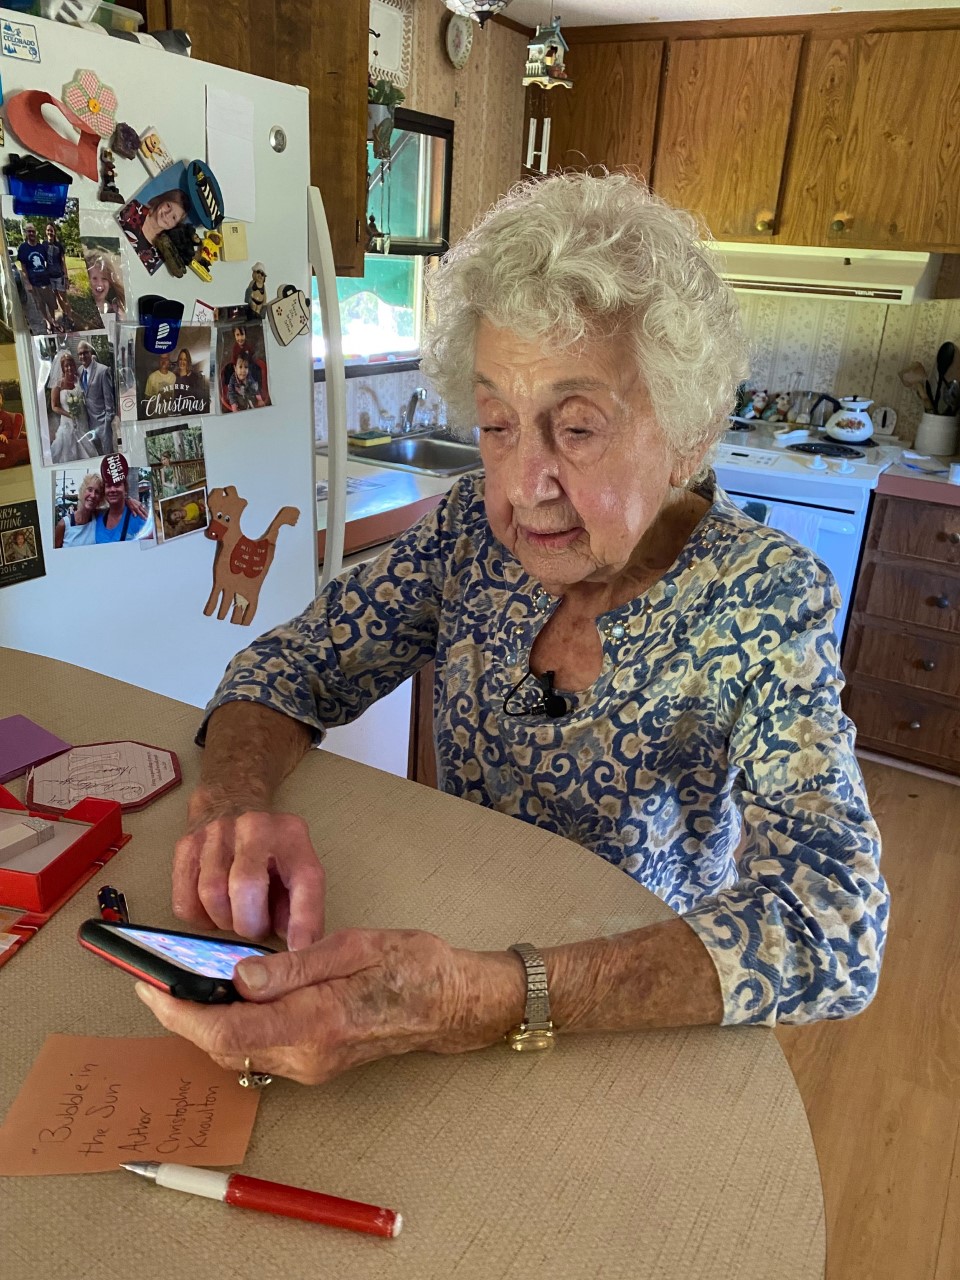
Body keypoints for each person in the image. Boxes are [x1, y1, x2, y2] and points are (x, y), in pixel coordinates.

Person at [137, 174, 888, 1088]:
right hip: (436, 966)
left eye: (576, 427)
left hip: (619, 1019)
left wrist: (488, 997)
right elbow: (291, 663)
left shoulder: (763, 597)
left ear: (688, 437)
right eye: (496, 423)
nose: (521, 483)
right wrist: (238, 803)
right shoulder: (470, 536)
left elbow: (834, 923)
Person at [118, 189, 188, 272]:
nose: (167, 215)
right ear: (162, 200)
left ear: (175, 226)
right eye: (168, 206)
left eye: (174, 217)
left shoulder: (161, 252)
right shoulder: (133, 207)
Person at [49, 352, 98, 464]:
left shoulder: (78, 379)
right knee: (68, 450)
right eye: (66, 366)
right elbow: (54, 407)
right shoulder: (58, 385)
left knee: (87, 446)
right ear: (62, 368)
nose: (69, 368)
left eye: (71, 364)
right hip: (67, 422)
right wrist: (69, 414)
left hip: (82, 419)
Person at [15, 223, 57, 332]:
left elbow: (47, 262)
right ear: (26, 233)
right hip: (34, 283)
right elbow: (23, 268)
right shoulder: (23, 248)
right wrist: (27, 283)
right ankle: (47, 322)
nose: (31, 233)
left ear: (36, 233)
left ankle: (53, 320)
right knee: (40, 304)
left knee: (51, 303)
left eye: (33, 231)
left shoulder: (41, 247)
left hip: (46, 281)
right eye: (29, 231)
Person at [76, 341, 116, 455]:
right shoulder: (79, 371)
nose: (82, 356)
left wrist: (108, 421)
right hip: (88, 422)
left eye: (85, 353)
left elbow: (109, 399)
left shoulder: (102, 371)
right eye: (80, 354)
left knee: (108, 454)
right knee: (97, 453)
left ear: (90, 353)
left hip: (103, 422)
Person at [95, 468, 148, 544]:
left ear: (125, 489)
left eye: (117, 485)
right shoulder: (98, 518)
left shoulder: (138, 516)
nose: (112, 490)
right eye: (108, 486)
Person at [54, 471, 103, 548]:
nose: (93, 495)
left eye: (97, 492)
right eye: (90, 489)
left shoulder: (98, 519)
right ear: (83, 491)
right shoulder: (63, 525)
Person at [85, 252, 126, 320]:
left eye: (104, 279)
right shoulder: (81, 308)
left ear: (110, 282)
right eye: (94, 278)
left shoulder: (114, 309)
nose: (100, 284)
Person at [44, 223, 68, 315]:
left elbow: (63, 262)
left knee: (64, 298)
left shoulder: (59, 245)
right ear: (46, 232)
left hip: (59, 277)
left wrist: (66, 277)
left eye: (51, 230)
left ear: (54, 232)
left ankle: (67, 315)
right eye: (48, 230)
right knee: (55, 297)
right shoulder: (44, 245)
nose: (50, 232)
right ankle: (58, 316)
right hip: (49, 277)